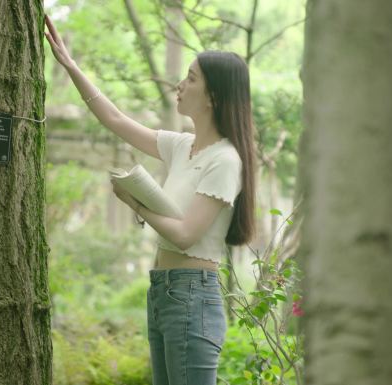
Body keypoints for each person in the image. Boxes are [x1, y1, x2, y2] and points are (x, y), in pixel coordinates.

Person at [45, 14, 256, 385]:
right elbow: (115, 119)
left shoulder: (224, 159)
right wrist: (71, 66)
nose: (180, 84)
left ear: (213, 97)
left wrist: (136, 204)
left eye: (191, 79)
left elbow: (187, 235)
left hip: (193, 297)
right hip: (163, 291)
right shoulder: (182, 146)